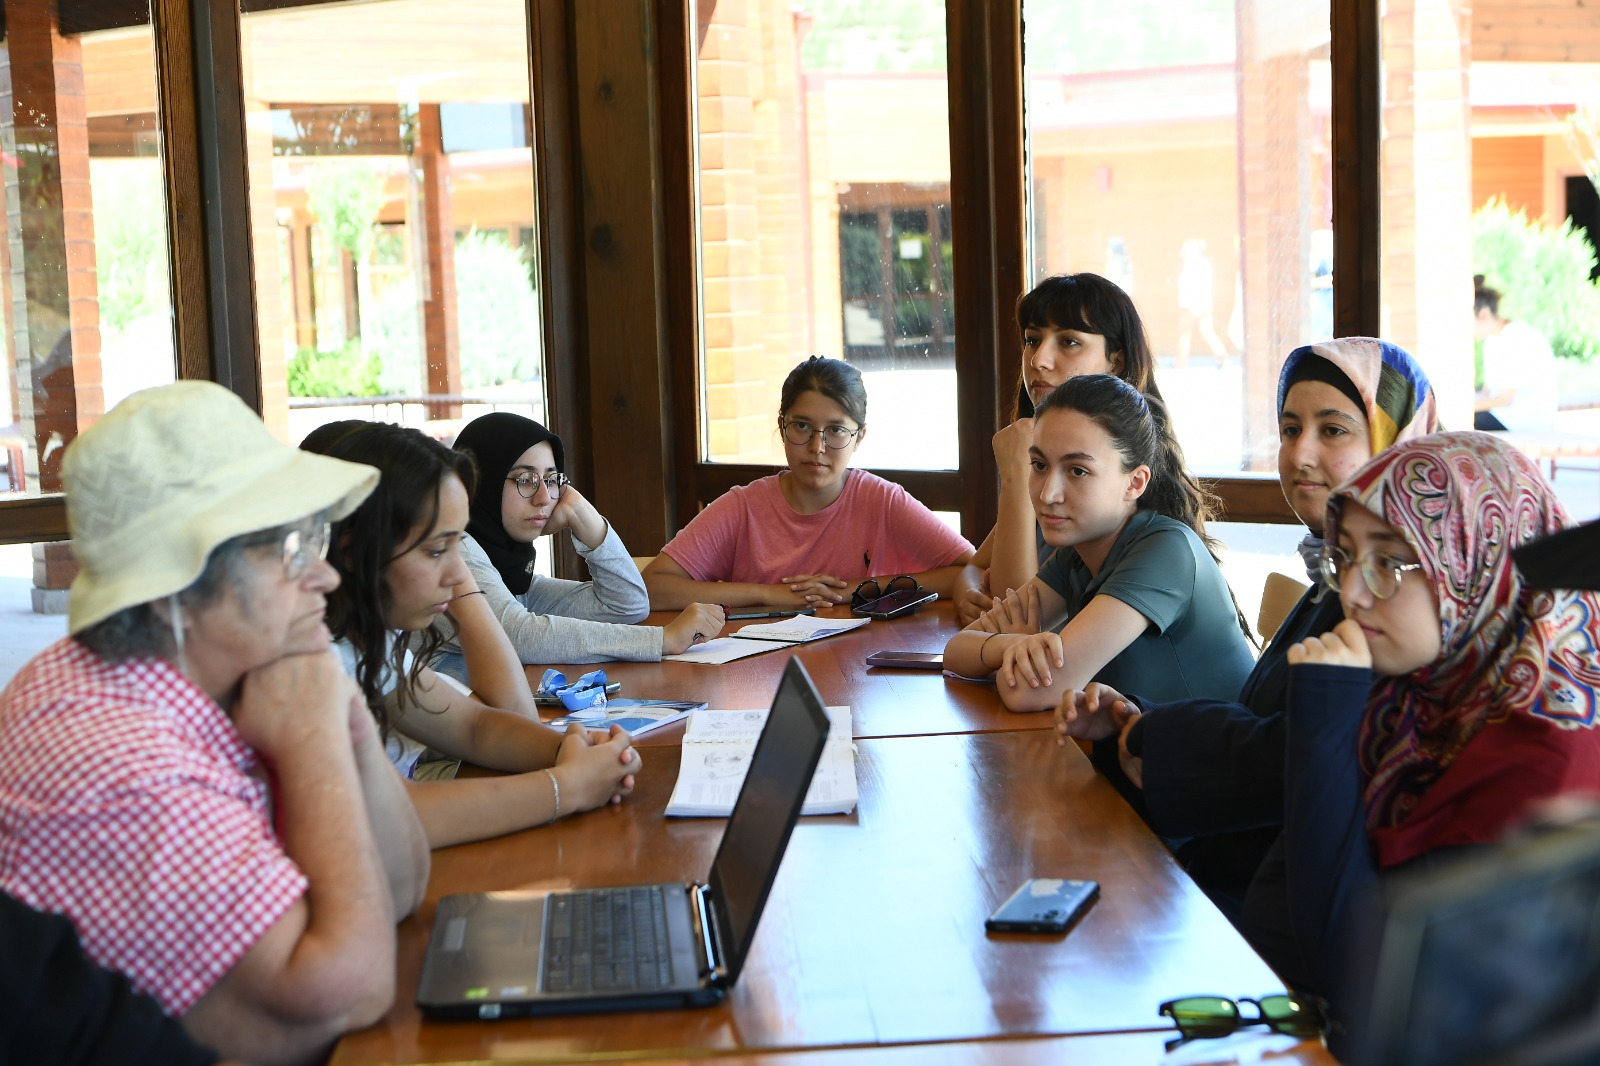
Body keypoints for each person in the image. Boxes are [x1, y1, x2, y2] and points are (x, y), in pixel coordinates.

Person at [0, 382, 429, 1066]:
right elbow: (348, 991)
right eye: (290, 548)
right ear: (181, 585)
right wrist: (315, 738)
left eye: (315, 537)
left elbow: (404, 886)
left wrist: (340, 717)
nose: (325, 575)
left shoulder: (217, 673)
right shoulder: (107, 746)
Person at [1053, 337, 1439, 920]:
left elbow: (1287, 759)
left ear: (1398, 444)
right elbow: (1263, 726)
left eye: (1332, 430)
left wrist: (1146, 739)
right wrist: (1134, 721)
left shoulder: (1405, 602)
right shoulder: (1334, 580)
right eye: (1289, 429)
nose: (1300, 453)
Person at [1271, 431, 1600, 1045]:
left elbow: (1355, 975)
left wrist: (1323, 718)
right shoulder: (1422, 692)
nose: (1353, 594)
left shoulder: (1548, 750)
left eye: (1392, 562)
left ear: (1486, 564)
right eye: (1343, 558)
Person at [299, 421, 642, 848]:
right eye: (438, 549)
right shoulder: (309, 665)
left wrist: (578, 749)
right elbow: (386, 821)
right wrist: (565, 787)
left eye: (460, 546)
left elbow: (478, 726)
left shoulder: (370, 642)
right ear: (353, 550)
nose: (455, 573)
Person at [943, 373, 1254, 712]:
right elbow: (956, 650)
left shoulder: (1165, 552)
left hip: (1208, 763)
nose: (1048, 494)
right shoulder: (1079, 554)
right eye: (1039, 465)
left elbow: (1030, 692)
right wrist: (1012, 647)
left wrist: (1011, 650)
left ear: (1134, 483)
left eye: (1077, 470)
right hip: (1137, 756)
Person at [953, 272, 1195, 625]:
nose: (1039, 360)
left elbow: (1020, 626)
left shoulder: (1118, 473)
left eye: (1068, 342)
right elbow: (976, 566)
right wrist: (969, 592)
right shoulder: (1053, 456)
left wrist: (1016, 476)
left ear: (1117, 361)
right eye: (1032, 340)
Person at [642, 356, 975, 609]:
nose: (817, 447)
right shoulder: (744, 506)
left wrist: (854, 589)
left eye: (836, 430)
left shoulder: (882, 500)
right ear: (781, 426)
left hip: (861, 673)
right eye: (802, 426)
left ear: (859, 438)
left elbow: (967, 571)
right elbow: (653, 587)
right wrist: (771, 594)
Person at [432, 413, 724, 681]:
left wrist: (582, 513)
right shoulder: (454, 550)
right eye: (525, 480)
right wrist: (662, 640)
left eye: (551, 480)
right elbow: (517, 635)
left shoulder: (512, 576)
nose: (544, 497)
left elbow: (628, 605)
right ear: (481, 483)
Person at [1473, 276, 1558, 433]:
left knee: (1465, 424)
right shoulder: (1491, 340)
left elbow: (1505, 399)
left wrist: (1465, 408)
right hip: (1504, 415)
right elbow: (1487, 390)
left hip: (1525, 420)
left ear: (1484, 314)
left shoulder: (1518, 336)